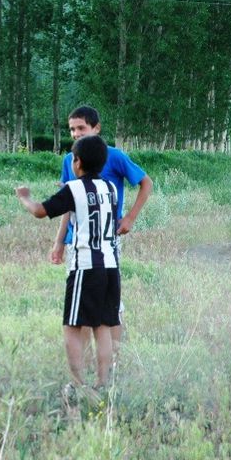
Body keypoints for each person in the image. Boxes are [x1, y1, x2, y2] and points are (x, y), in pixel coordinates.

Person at [16, 135, 119, 397]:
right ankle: (104, 383)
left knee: (72, 325)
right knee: (103, 325)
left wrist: (25, 198)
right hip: (110, 266)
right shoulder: (111, 188)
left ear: (77, 162)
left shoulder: (73, 190)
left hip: (85, 266)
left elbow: (40, 211)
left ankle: (76, 384)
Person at [54, 106, 152, 349]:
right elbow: (68, 203)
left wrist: (129, 218)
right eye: (72, 129)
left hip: (108, 240)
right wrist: (59, 242)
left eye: (81, 128)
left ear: (96, 129)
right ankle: (87, 359)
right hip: (79, 242)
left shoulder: (114, 156)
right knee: (82, 302)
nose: (76, 134)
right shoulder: (70, 161)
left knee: (110, 300)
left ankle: (115, 359)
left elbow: (145, 182)